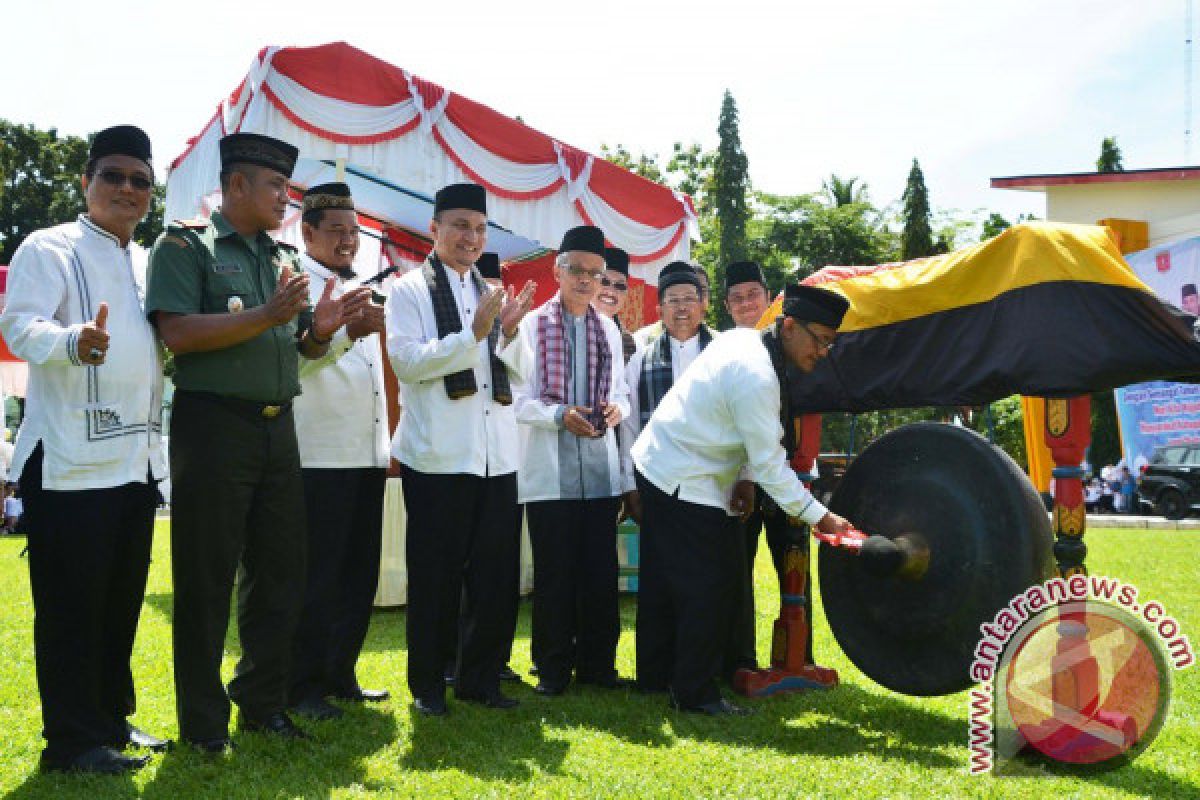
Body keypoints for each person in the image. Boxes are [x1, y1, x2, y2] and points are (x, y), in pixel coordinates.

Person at [146, 132, 370, 751]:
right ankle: (202, 722)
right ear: (237, 185)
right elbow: (179, 332)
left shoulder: (281, 259)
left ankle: (262, 702)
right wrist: (266, 316)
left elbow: (301, 346)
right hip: (213, 426)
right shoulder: (184, 246)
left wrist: (323, 332)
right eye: (276, 187)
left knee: (279, 574)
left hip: (279, 428)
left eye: (288, 189)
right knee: (206, 578)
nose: (285, 200)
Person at [0, 125, 168, 773]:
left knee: (120, 600)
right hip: (68, 459)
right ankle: (70, 744)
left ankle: (112, 723)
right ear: (85, 182)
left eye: (140, 181)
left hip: (133, 460)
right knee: (72, 607)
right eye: (113, 176)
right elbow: (20, 324)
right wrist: (75, 342)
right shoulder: (49, 246)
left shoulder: (147, 259)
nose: (127, 189)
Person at [630, 283, 855, 715]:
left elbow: (749, 443)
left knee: (665, 581)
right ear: (789, 326)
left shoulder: (745, 340)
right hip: (682, 474)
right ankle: (694, 693)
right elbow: (771, 466)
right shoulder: (756, 376)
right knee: (709, 584)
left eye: (831, 342)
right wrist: (821, 517)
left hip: (664, 462)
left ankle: (656, 680)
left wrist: (745, 478)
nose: (824, 351)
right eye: (821, 340)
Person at [385, 182, 536, 716]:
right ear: (434, 229)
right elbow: (407, 362)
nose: (470, 238)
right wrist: (472, 336)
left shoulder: (489, 290)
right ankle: (428, 686)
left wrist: (510, 333)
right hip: (438, 455)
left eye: (479, 228)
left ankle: (480, 681)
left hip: (497, 453)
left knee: (496, 577)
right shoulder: (408, 291)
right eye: (460, 227)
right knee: (435, 576)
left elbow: (520, 375)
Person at [514, 225, 631, 696]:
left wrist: (616, 408)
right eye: (577, 271)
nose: (586, 281)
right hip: (549, 475)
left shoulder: (608, 328)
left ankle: (599, 666)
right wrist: (560, 415)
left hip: (599, 474)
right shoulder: (531, 325)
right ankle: (553, 667)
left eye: (596, 274)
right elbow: (519, 401)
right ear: (557, 271)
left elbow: (619, 391)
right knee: (556, 574)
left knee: (600, 574)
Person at [288, 183, 390, 720]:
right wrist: (347, 333)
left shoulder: (364, 285)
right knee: (316, 578)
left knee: (357, 575)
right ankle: (300, 686)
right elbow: (296, 363)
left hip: (366, 453)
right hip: (317, 455)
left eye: (354, 232)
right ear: (307, 233)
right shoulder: (296, 285)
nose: (349, 241)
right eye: (337, 232)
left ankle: (339, 673)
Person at [720, 260, 788, 676]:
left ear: (769, 298)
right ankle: (740, 659)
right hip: (737, 476)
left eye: (754, 295)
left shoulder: (789, 340)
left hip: (788, 471)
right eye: (738, 298)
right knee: (737, 568)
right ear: (727, 306)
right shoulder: (723, 348)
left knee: (793, 566)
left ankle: (797, 657)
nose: (747, 304)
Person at [620, 261, 716, 539]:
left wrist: (745, 476)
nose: (682, 307)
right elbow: (630, 423)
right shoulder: (641, 356)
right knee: (663, 570)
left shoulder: (722, 353)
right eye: (673, 301)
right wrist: (629, 484)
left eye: (689, 299)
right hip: (659, 482)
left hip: (715, 483)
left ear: (702, 304)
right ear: (660, 309)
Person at [593, 246, 637, 363]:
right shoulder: (567, 328)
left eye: (619, 286)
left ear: (626, 294)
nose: (611, 291)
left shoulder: (629, 343)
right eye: (604, 282)